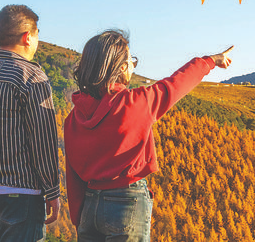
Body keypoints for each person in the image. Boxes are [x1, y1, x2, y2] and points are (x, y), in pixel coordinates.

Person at [64, 30, 233, 241]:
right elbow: (176, 84)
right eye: (131, 60)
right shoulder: (134, 103)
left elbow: (73, 175)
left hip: (89, 208)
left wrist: (78, 218)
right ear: (122, 67)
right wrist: (211, 61)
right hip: (126, 203)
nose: (133, 66)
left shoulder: (73, 118)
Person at [0, 5, 60, 242]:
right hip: (21, 195)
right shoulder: (32, 78)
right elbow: (43, 141)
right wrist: (52, 191)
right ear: (28, 37)